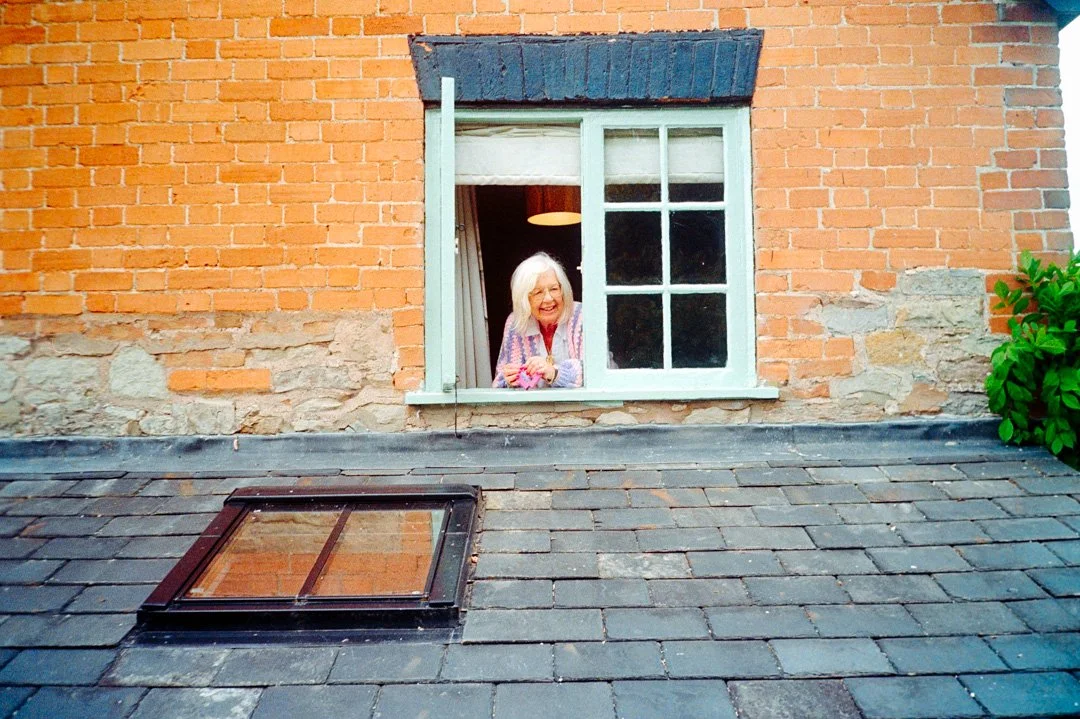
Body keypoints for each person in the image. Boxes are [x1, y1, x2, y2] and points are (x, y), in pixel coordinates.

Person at [493, 252, 583, 389]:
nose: (548, 299)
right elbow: (500, 381)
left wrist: (554, 372)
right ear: (524, 299)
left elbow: (596, 370)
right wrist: (509, 380)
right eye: (538, 292)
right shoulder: (515, 323)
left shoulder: (581, 316)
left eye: (554, 289)